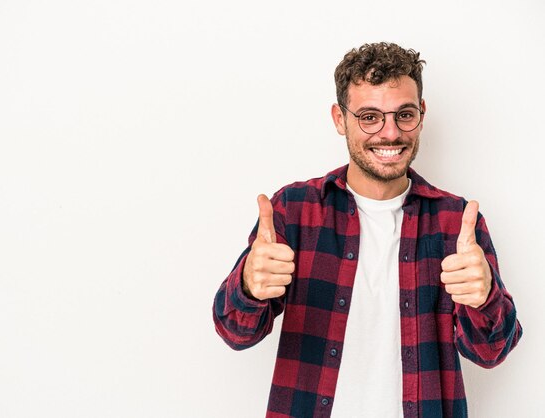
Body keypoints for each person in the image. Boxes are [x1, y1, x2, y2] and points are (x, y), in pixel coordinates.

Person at [212, 42, 522, 418]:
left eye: (403, 114)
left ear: (421, 114)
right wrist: (247, 285)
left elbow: (491, 353)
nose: (390, 134)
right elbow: (235, 333)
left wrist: (484, 296)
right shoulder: (294, 210)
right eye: (370, 117)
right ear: (340, 119)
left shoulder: (456, 223)